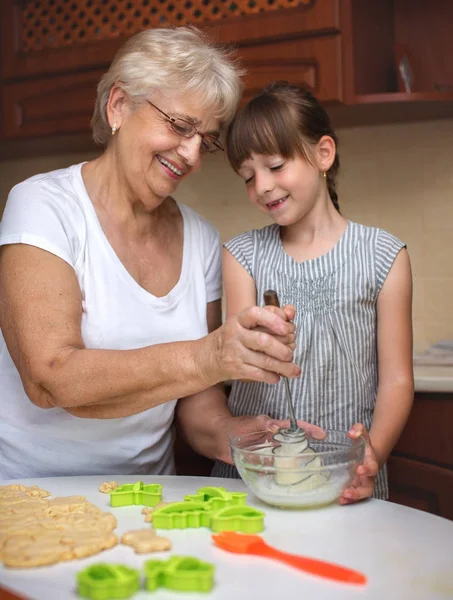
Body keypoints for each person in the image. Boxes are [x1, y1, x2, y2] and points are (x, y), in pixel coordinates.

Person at [0, 30, 309, 481]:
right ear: (119, 106)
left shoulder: (200, 238)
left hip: (150, 495)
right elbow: (50, 378)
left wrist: (237, 435)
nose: (190, 154)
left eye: (203, 140)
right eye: (180, 126)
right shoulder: (43, 206)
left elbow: (195, 399)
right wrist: (209, 355)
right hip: (33, 493)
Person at [212, 82, 414, 503]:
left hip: (347, 477)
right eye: (248, 177)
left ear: (324, 153)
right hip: (258, 477)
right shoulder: (242, 256)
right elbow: (235, 365)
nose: (262, 187)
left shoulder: (383, 255)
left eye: (275, 166)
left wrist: (371, 455)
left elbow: (396, 379)